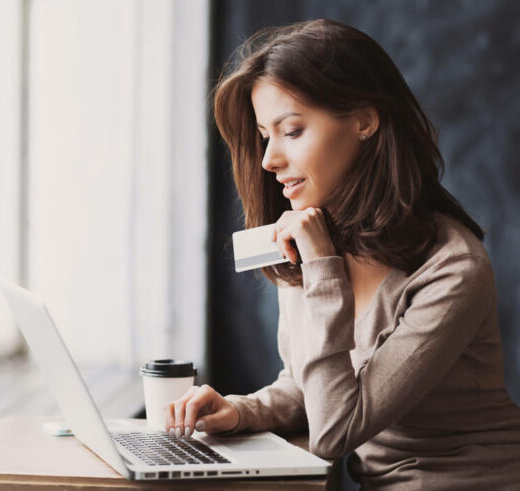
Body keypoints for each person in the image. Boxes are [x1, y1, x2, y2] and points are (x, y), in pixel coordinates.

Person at [163, 19, 520, 489]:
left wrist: (322, 270)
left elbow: (335, 429)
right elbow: (311, 385)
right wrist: (241, 410)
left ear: (365, 121)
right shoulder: (314, 236)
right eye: (263, 135)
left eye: (291, 131)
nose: (268, 159)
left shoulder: (453, 270)